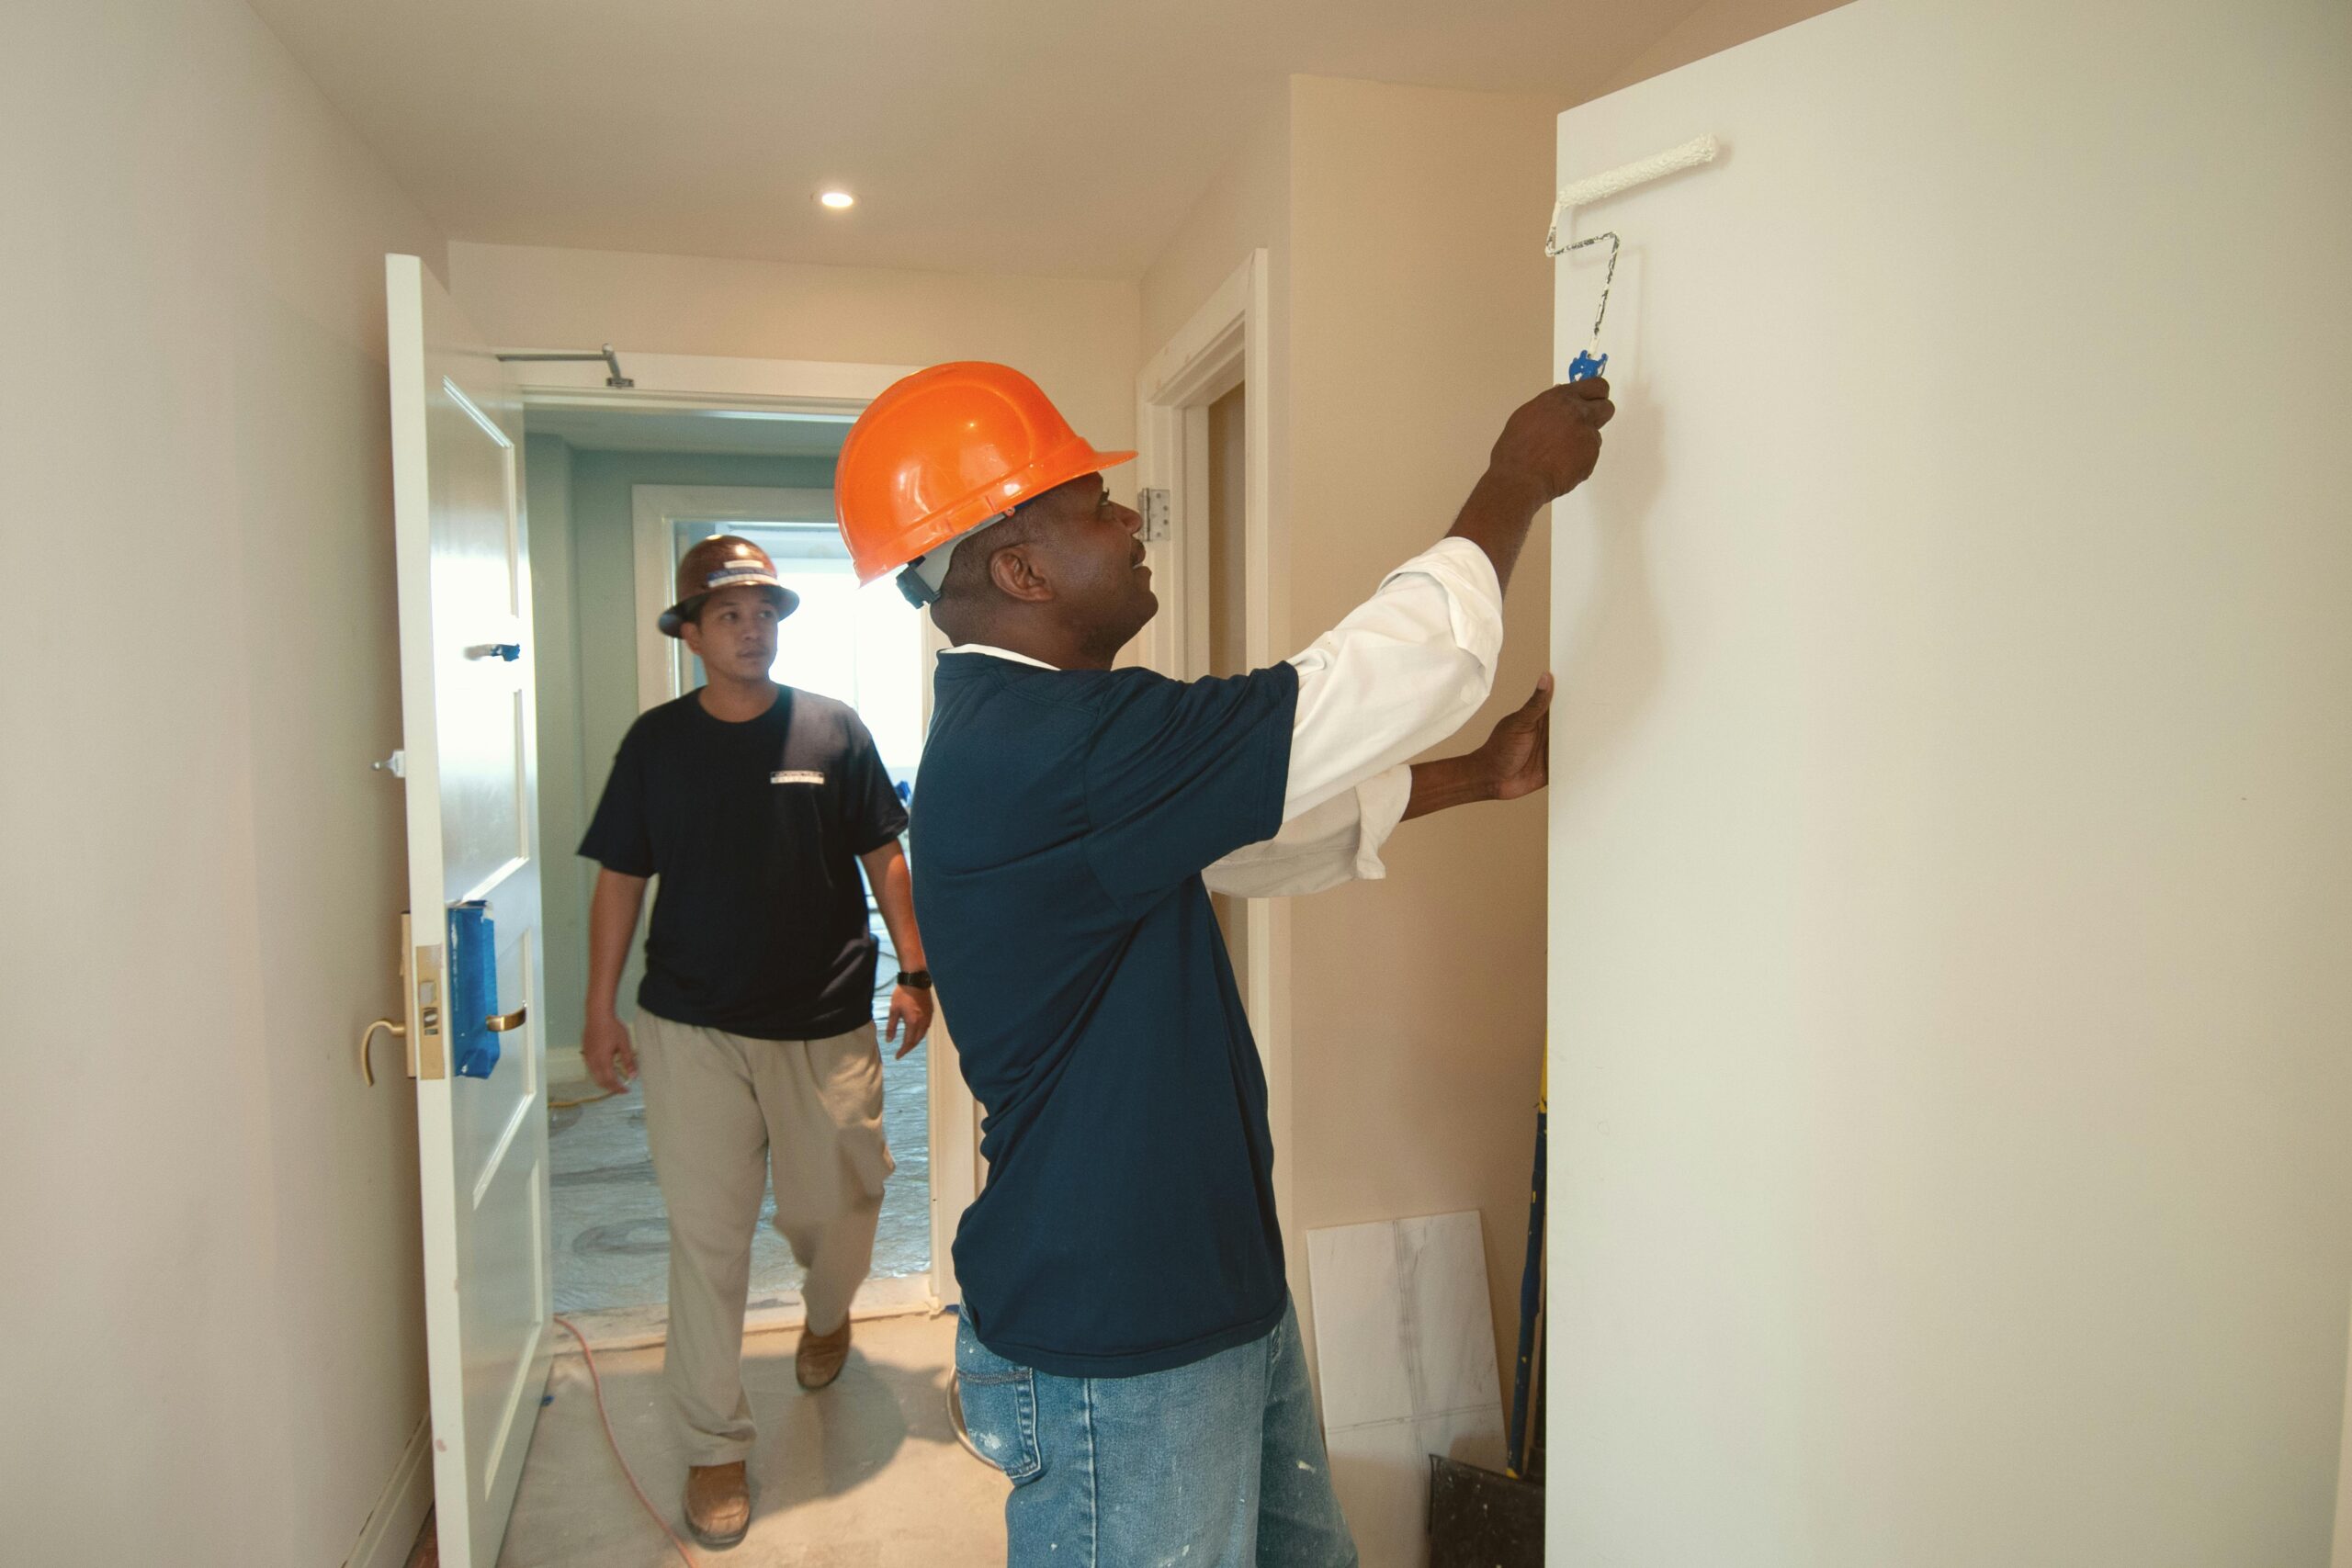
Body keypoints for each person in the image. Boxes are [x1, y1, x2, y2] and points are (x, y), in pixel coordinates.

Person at [831, 362, 1611, 1564]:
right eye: (1095, 506)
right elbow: (1397, 671)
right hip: (1119, 1330)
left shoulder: (1045, 739)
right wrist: (1515, 478)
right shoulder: (1056, 746)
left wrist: (1481, 776)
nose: (1129, 521)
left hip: (1206, 1286)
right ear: (1019, 568)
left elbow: (1249, 832)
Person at [576, 534, 935, 1550]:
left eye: (764, 612)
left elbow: (884, 854)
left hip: (824, 1020)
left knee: (841, 1208)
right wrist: (600, 1007)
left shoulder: (831, 728)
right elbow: (620, 878)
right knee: (708, 1236)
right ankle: (713, 1445)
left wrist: (915, 970)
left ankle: (827, 1311)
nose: (751, 628)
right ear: (690, 634)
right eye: (729, 614)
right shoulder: (656, 744)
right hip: (691, 1025)